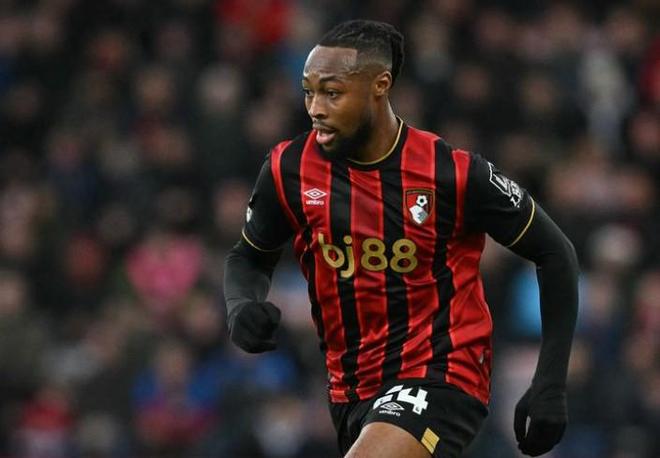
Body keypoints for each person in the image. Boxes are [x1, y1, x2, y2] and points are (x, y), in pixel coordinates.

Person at [224, 19, 579, 458]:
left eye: (332, 93)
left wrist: (550, 382)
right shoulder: (289, 168)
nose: (315, 108)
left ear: (380, 85)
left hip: (442, 373)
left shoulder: (451, 173)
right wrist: (241, 305)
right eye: (308, 92)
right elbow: (249, 257)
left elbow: (555, 252)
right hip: (349, 389)